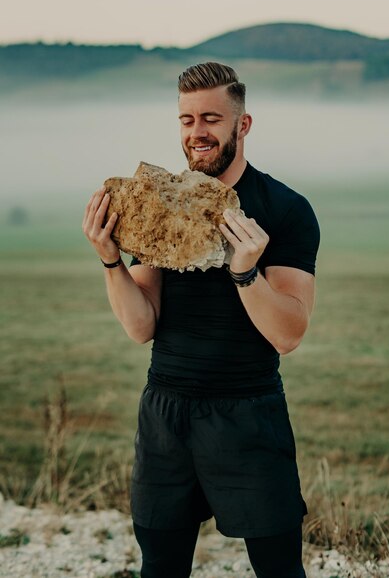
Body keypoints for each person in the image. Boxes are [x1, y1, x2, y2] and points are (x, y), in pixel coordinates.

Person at [82, 62, 320, 578]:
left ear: (244, 124)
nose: (197, 133)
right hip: (166, 414)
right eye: (187, 120)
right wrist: (110, 259)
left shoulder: (284, 209)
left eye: (211, 118)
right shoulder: (158, 202)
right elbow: (141, 325)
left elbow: (288, 334)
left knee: (280, 570)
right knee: (160, 568)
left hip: (248, 413)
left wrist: (246, 274)